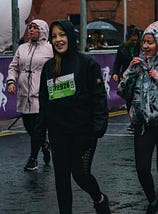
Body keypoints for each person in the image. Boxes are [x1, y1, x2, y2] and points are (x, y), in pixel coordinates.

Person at [37, 20, 110, 213]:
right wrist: (40, 130)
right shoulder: (48, 66)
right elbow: (44, 101)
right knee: (61, 178)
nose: (58, 40)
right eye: (54, 36)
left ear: (70, 36)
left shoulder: (86, 63)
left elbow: (99, 96)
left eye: (62, 35)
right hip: (58, 132)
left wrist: (98, 126)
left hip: (83, 131)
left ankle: (100, 199)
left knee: (80, 174)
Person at [117, 20, 158, 213]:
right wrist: (130, 71)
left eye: (150, 42)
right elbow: (122, 92)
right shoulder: (137, 64)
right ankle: (152, 199)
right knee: (142, 168)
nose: (145, 46)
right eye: (144, 42)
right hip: (143, 124)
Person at [6, 19, 53, 171]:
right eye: (29, 27)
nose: (30, 30)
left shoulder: (50, 49)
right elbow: (13, 67)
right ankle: (44, 145)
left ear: (42, 30)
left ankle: (33, 159)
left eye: (34, 28)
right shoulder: (22, 48)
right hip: (23, 94)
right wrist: (11, 81)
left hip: (41, 95)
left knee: (38, 129)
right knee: (29, 128)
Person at [112, 27, 141, 133]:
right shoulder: (122, 48)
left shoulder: (141, 47)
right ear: (127, 39)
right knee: (129, 101)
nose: (134, 42)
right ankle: (133, 122)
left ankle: (139, 121)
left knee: (138, 99)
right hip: (127, 77)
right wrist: (115, 73)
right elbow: (117, 62)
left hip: (139, 76)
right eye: (132, 40)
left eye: (136, 40)